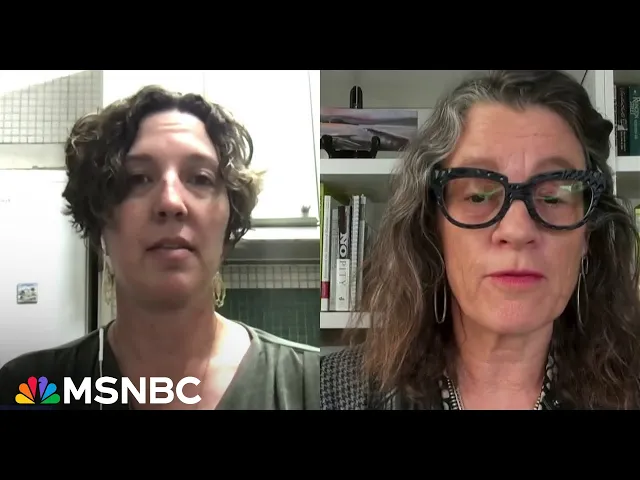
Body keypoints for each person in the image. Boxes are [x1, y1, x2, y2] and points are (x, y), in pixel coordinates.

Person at [320, 70, 640, 410]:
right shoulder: (333, 393)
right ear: (433, 227)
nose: (517, 231)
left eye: (553, 197)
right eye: (477, 196)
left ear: (588, 232)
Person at [0, 85, 319, 410]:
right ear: (99, 224)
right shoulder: (29, 389)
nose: (170, 202)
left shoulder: (312, 383)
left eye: (200, 178)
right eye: (138, 178)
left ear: (228, 227)